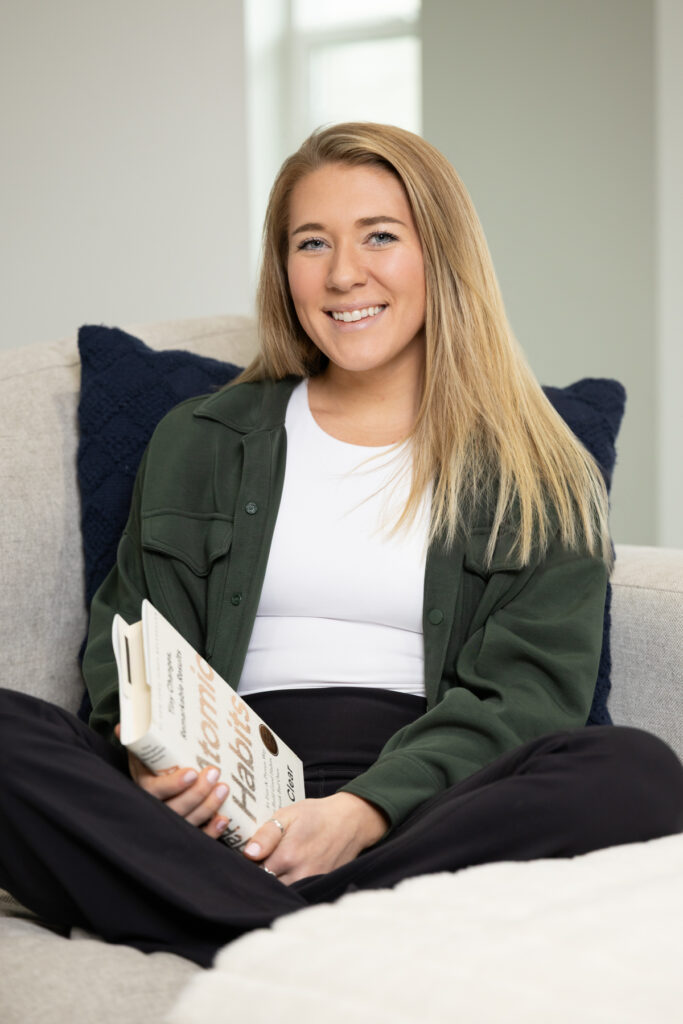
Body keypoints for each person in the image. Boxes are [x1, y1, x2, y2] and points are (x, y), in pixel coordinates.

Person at [1, 123, 682, 965]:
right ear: (282, 269)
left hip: (424, 807)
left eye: (380, 237)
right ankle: (331, 932)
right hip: (215, 808)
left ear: (444, 254)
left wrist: (360, 812)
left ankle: (231, 926)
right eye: (310, 242)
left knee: (635, 772)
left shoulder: (537, 467)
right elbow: (133, 635)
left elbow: (527, 697)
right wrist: (152, 764)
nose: (342, 274)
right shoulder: (202, 438)